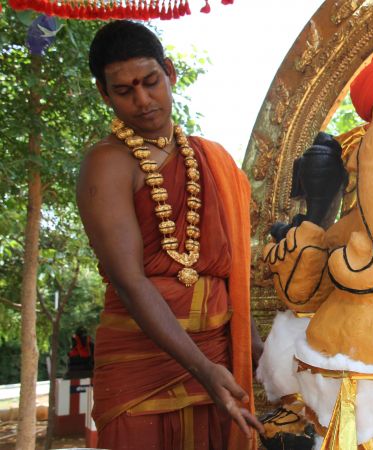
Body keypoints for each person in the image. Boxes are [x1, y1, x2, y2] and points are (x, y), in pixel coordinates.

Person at [77, 20, 264, 449]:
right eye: (124, 91)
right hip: (141, 365)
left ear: (170, 72)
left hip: (217, 356)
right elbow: (129, 280)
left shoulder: (210, 158)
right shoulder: (107, 163)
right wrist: (201, 368)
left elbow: (232, 269)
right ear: (104, 94)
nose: (143, 100)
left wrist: (249, 341)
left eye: (150, 82)